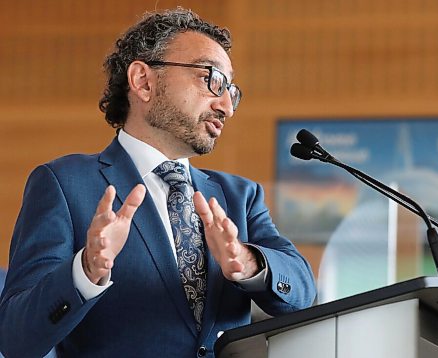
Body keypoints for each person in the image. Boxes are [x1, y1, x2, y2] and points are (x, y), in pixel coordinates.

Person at [0, 8, 316, 358]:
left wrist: (247, 261)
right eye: (211, 78)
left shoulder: (239, 196)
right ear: (144, 81)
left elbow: (302, 292)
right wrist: (85, 271)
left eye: (232, 91)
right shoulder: (65, 184)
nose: (226, 105)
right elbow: (15, 338)